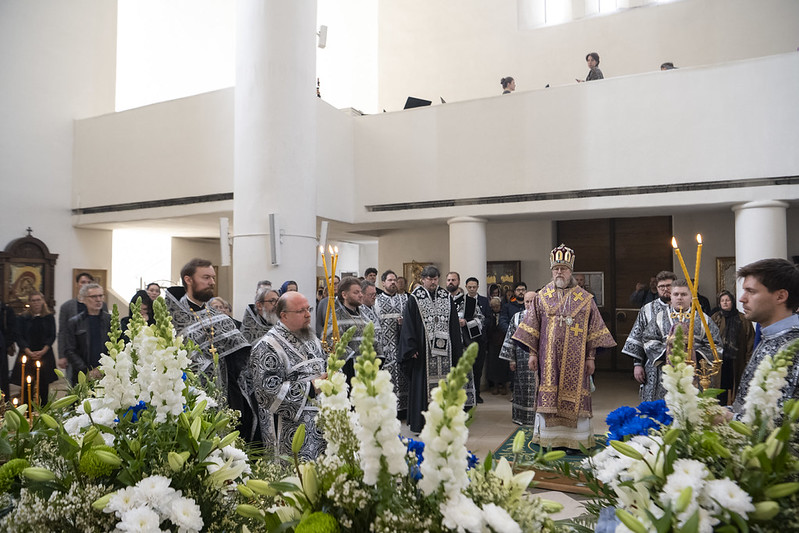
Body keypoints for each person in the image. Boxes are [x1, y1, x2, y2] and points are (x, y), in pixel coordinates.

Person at [513, 244, 615, 451]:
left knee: (575, 397)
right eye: (556, 268)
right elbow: (532, 326)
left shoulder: (585, 299)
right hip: (547, 358)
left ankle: (575, 441)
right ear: (552, 271)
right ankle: (550, 440)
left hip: (576, 361)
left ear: (571, 272)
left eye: (564, 268)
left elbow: (594, 330)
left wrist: (591, 358)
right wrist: (532, 354)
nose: (559, 272)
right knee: (549, 396)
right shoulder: (541, 297)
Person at [164, 258, 256, 441]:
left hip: (225, 398)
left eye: (213, 278)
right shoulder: (170, 319)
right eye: (206, 277)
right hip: (185, 400)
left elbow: (241, 363)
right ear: (188, 280)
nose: (212, 282)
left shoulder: (220, 318)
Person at [248, 291, 327, 459]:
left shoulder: (312, 339)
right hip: (288, 432)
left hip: (320, 426)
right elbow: (267, 391)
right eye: (301, 311)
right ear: (284, 315)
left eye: (309, 309)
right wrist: (311, 388)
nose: (307, 315)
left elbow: (323, 368)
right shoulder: (267, 346)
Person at [730, 259, 799, 422]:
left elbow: (788, 420)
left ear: (780, 296)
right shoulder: (769, 336)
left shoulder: (794, 345)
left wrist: (731, 419)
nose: (742, 299)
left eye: (751, 291)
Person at [399, 266, 465, 434]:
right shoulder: (415, 298)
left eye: (436, 279)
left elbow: (453, 324)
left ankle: (444, 421)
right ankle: (423, 423)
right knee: (423, 386)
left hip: (446, 352)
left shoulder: (446, 297)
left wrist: (457, 348)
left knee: (445, 384)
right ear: (423, 279)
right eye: (430, 279)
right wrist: (411, 346)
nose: (433, 282)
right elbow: (409, 324)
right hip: (424, 351)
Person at [640, 279, 719, 400]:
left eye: (684, 294)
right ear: (670, 296)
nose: (679, 298)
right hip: (665, 373)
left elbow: (716, 345)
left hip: (695, 373)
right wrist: (668, 352)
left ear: (692, 297)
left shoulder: (704, 319)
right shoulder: (659, 318)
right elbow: (648, 339)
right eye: (676, 294)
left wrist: (692, 354)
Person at [623, 270, 677, 395]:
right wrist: (637, 365)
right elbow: (637, 337)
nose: (665, 289)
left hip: (680, 363)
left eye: (668, 286)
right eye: (661, 287)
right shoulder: (647, 309)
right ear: (657, 288)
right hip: (653, 364)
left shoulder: (685, 308)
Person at [325, 276, 380, 385]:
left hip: (367, 369)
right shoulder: (336, 317)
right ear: (344, 295)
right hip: (348, 372)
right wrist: (355, 361)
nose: (361, 295)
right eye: (356, 292)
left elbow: (374, 339)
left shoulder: (364, 316)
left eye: (360, 292)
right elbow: (334, 343)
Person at [499, 290, 537, 425]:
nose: (529, 304)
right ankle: (521, 417)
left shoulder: (544, 317)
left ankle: (537, 417)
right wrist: (511, 359)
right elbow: (510, 338)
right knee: (521, 387)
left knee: (537, 388)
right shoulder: (516, 317)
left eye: (532, 301)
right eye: (527, 301)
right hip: (521, 359)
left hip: (539, 360)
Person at [375, 269, 409, 417]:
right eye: (390, 280)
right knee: (388, 379)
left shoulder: (404, 299)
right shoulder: (377, 300)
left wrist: (404, 322)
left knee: (403, 378)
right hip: (386, 347)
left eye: (394, 280)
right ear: (383, 283)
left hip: (401, 346)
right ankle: (389, 410)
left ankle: (404, 409)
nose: (393, 282)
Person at [711, 290, 754, 405]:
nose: (725, 303)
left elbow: (750, 339)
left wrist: (748, 359)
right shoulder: (716, 317)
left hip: (737, 359)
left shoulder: (743, 318)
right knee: (721, 385)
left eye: (728, 300)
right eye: (722, 301)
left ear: (732, 302)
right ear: (719, 303)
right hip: (720, 359)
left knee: (737, 384)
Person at [12, 291, 56, 403]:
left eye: (38, 300)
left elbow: (52, 335)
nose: (36, 303)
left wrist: (43, 350)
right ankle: (27, 412)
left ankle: (42, 411)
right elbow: (18, 336)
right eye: (33, 300)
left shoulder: (49, 317)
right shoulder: (22, 318)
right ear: (29, 303)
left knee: (43, 386)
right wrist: (28, 351)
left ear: (43, 301)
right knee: (27, 385)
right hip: (27, 354)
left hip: (44, 355)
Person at [63, 283, 111, 384]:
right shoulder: (75, 322)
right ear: (83, 299)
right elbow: (69, 350)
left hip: (107, 374)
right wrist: (87, 371)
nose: (98, 299)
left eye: (101, 296)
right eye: (94, 296)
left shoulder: (110, 320)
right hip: (82, 374)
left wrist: (103, 368)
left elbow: (116, 346)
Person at [58, 272, 96, 381]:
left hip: (93, 351)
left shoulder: (100, 305)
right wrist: (62, 355)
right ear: (77, 284)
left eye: (89, 282)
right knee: (74, 386)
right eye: (83, 282)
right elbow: (62, 331)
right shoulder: (67, 306)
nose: (86, 285)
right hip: (74, 352)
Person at [463, 277, 487, 403]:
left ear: (478, 287)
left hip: (480, 340)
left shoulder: (484, 301)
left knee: (478, 369)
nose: (472, 289)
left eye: (474, 287)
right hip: (464, 340)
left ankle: (477, 393)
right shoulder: (462, 301)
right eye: (469, 287)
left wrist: (477, 325)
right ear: (466, 287)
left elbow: (488, 319)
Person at [0, 298, 18, 400]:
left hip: (2, 350)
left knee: (2, 382)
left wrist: (6, 344)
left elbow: (12, 331)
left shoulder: (6, 310)